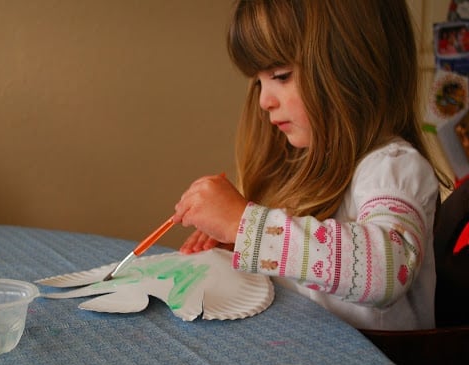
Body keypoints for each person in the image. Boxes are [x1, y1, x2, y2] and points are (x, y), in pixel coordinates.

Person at [172, 0, 453, 331]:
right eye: (259, 82)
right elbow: (309, 272)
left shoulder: (392, 168)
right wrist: (242, 244)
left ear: (352, 64)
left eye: (281, 75)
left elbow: (387, 271)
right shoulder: (302, 161)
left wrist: (247, 226)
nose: (264, 100)